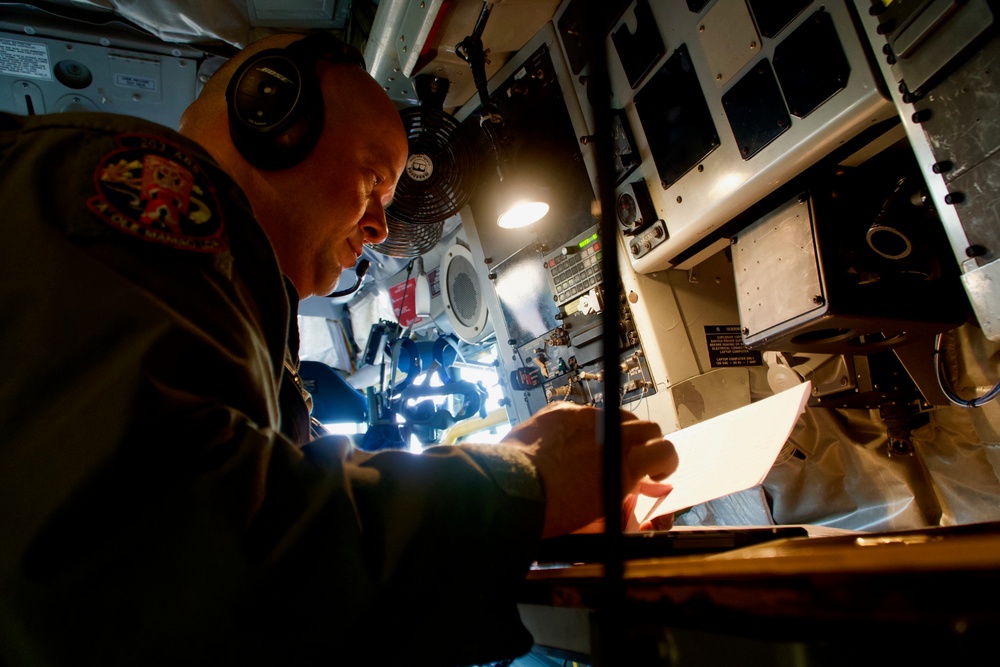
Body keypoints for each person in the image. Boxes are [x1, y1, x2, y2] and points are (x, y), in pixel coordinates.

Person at [0, 32, 677, 666]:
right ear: (274, 117)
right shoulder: (127, 188)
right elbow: (166, 557)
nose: (382, 227)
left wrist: (525, 482)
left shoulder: (229, 306)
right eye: (375, 180)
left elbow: (276, 489)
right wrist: (520, 484)